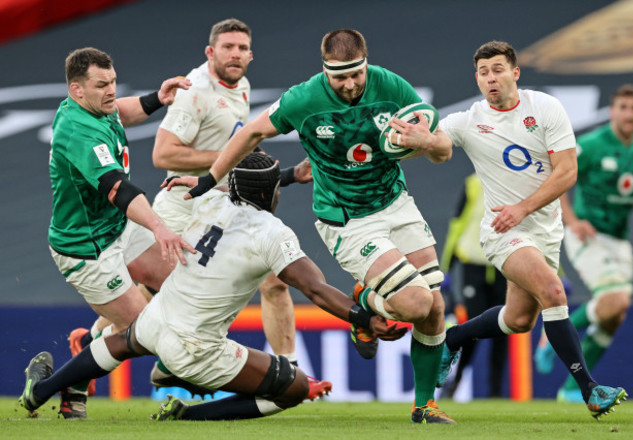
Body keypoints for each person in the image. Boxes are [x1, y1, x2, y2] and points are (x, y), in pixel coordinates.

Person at [165, 28, 457, 424]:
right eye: (340, 77)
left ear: (366, 62)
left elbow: (444, 151)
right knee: (417, 302)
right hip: (346, 218)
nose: (351, 84)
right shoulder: (304, 99)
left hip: (396, 203)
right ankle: (365, 298)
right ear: (325, 72)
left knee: (435, 306)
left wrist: (427, 141)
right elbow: (252, 132)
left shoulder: (392, 87)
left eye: (357, 74)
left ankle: (424, 407)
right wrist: (208, 179)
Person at [19, 153, 405, 421]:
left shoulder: (209, 203)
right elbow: (315, 288)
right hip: (195, 346)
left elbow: (230, 187)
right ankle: (187, 416)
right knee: (295, 389)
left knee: (121, 343)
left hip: (158, 318)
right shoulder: (272, 232)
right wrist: (363, 318)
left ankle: (41, 390)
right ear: (271, 193)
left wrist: (271, 176)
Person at [408, 40, 627, 420]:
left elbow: (567, 172)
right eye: (482, 72)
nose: (490, 78)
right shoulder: (469, 120)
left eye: (497, 70)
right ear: (476, 79)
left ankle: (453, 338)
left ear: (515, 73)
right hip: (502, 232)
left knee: (519, 320)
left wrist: (523, 208)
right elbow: (438, 143)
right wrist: (420, 141)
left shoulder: (544, 108)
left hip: (544, 230)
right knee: (553, 291)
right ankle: (590, 389)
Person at [148, 17, 330, 399]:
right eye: (227, 47)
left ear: (251, 54)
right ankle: (90, 353)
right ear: (210, 52)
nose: (235, 54)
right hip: (181, 211)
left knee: (275, 280)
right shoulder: (196, 90)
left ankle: (290, 370)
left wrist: (289, 175)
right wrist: (232, 156)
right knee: (142, 307)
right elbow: (162, 153)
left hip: (216, 205)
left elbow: (236, 168)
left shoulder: (240, 86)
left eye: (242, 48)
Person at [47, 47, 195, 418]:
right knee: (142, 332)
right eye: (102, 85)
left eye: (113, 82)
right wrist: (159, 227)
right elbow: (117, 189)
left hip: (116, 230)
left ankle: (91, 343)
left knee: (186, 281)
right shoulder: (78, 130)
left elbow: (120, 111)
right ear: (76, 90)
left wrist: (155, 100)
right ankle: (72, 382)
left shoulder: (94, 107)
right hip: (87, 250)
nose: (111, 91)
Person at [534, 84, 633, 402]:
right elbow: (558, 181)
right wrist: (572, 221)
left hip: (619, 240)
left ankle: (572, 390)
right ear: (612, 111)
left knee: (614, 316)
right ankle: (551, 334)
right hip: (586, 234)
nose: (628, 114)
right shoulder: (591, 144)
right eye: (622, 107)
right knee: (614, 301)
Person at [439, 173, 507, 399]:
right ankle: (455, 383)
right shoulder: (474, 183)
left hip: (504, 265)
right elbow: (458, 224)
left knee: (503, 330)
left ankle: (495, 393)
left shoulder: (516, 182)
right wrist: (447, 266)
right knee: (473, 326)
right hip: (473, 265)